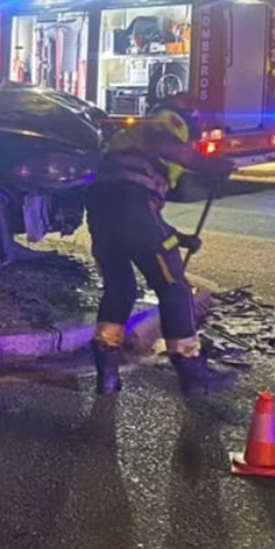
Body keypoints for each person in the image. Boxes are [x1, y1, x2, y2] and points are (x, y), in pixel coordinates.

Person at [86, 92, 237, 397]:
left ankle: (107, 373)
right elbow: (139, 208)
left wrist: (179, 238)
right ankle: (193, 373)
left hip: (103, 220)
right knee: (175, 291)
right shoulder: (161, 125)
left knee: (121, 290)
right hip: (132, 213)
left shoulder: (129, 144)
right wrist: (210, 165)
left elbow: (139, 213)